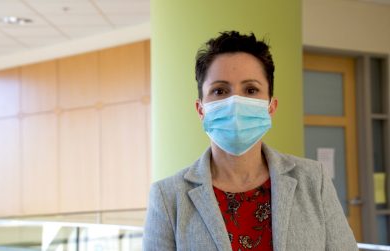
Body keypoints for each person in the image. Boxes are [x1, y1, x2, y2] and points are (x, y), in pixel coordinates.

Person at [143, 31, 358, 251]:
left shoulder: (313, 180)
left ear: (271, 107)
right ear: (201, 110)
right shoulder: (168, 196)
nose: (235, 102)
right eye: (220, 90)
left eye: (251, 90)